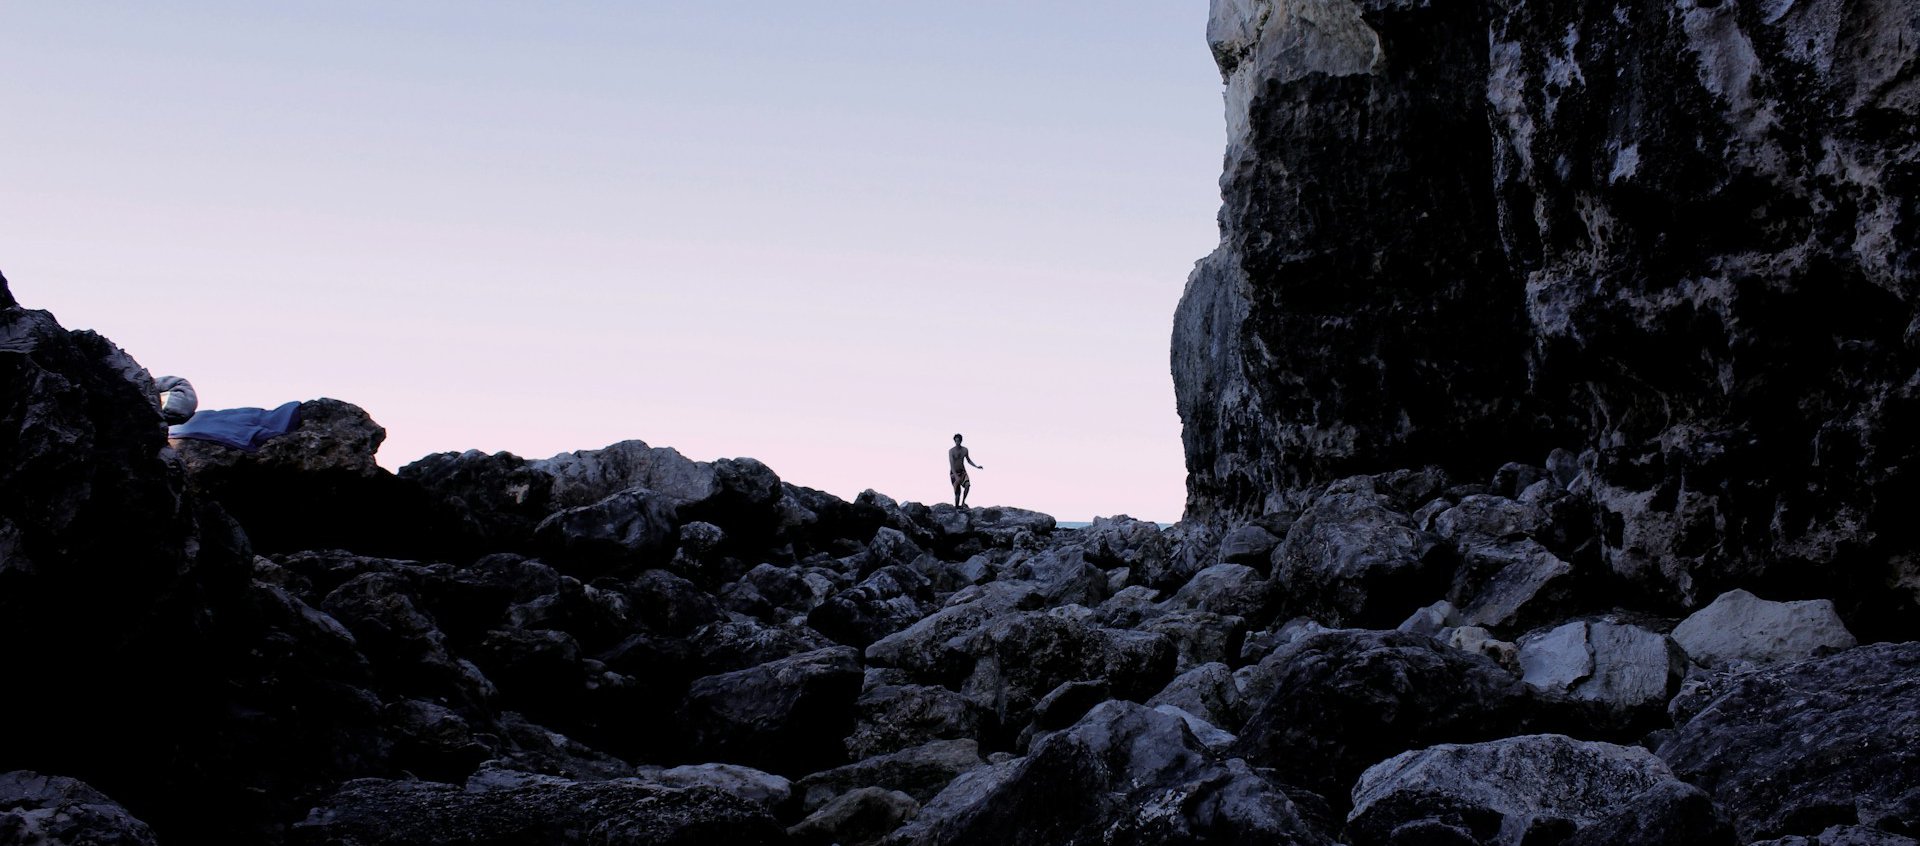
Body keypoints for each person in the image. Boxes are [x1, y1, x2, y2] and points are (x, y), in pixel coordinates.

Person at [949, 433, 984, 508]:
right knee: (958, 493)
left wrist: (976, 466)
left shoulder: (965, 450)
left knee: (967, 485)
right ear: (954, 441)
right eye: (956, 441)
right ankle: (957, 507)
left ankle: (963, 503)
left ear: (961, 441)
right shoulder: (951, 451)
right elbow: (951, 465)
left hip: (962, 472)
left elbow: (968, 460)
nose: (957, 443)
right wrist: (956, 476)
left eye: (959, 441)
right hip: (954, 473)